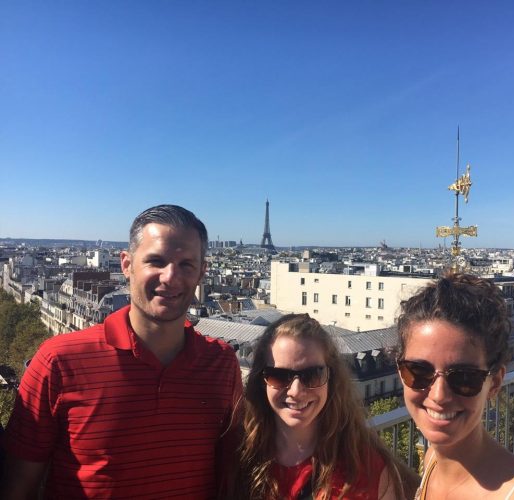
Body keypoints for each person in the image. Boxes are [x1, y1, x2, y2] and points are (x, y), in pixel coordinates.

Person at [2, 204, 243, 499]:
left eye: (186, 264)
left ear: (202, 272)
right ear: (126, 265)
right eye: (156, 261)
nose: (170, 277)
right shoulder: (57, 361)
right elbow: (18, 486)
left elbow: (231, 476)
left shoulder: (222, 363)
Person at [395, 273, 514, 500]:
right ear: (400, 371)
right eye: (418, 371)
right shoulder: (432, 461)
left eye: (464, 377)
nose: (439, 395)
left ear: (494, 382)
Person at [237, 313, 419, 500]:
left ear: (331, 379)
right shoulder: (238, 457)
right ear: (262, 381)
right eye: (279, 375)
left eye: (313, 375)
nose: (296, 391)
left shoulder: (369, 471)